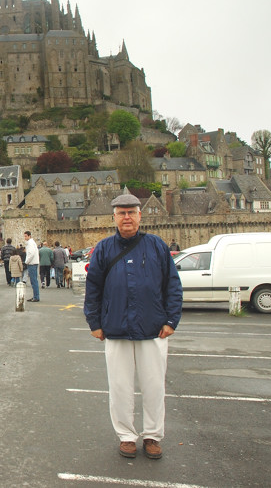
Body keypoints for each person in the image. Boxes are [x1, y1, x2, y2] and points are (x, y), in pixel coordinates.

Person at [83, 194, 182, 460]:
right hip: (116, 328)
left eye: (131, 212)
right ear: (114, 217)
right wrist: (94, 322)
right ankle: (126, 436)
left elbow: (172, 284)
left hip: (153, 329)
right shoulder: (103, 249)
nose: (127, 217)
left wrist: (171, 320)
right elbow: (93, 288)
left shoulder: (156, 246)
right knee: (120, 387)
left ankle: (152, 436)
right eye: (121, 213)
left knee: (154, 386)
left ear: (140, 215)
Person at [23, 230, 40, 302]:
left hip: (32, 264)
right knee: (34, 280)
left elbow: (31, 254)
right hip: (34, 263)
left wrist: (26, 261)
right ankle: (35, 296)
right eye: (24, 236)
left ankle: (36, 297)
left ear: (29, 236)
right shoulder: (32, 243)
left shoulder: (30, 243)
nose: (25, 238)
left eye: (26, 236)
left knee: (33, 281)